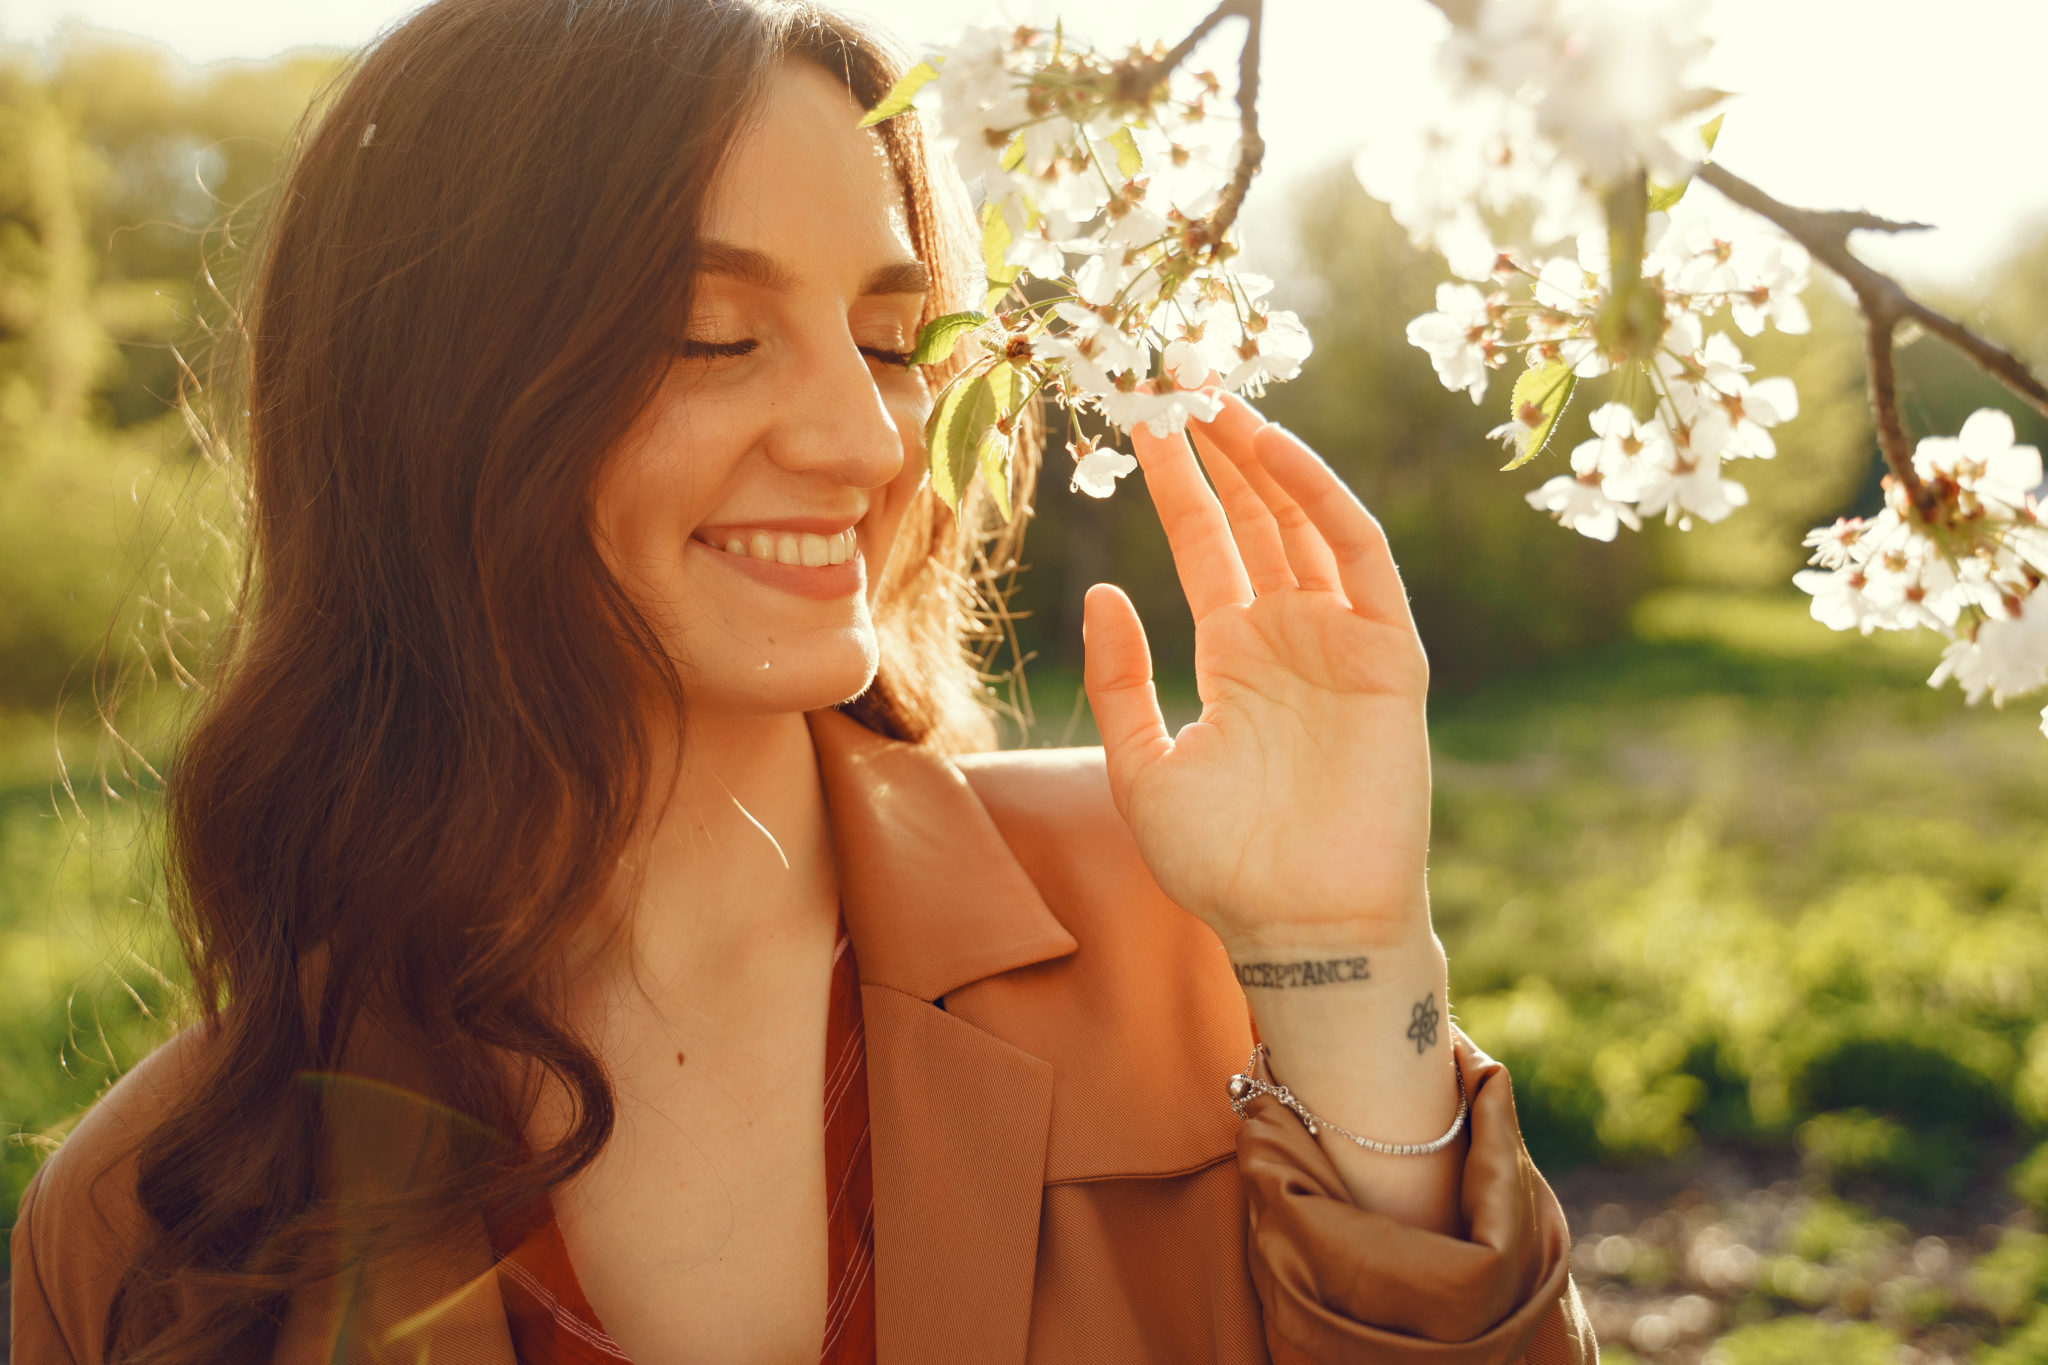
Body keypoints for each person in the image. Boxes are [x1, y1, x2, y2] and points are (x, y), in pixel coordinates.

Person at [7, 1, 1595, 1361]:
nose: (874, 439)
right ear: (428, 403)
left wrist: (1349, 970)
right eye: (712, 333)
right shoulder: (152, 1222)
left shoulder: (1186, 931)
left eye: (892, 340)